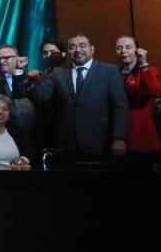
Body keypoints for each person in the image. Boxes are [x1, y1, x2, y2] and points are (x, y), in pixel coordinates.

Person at [33, 32, 129, 160]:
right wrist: (22, 73)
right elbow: (40, 96)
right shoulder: (58, 73)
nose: (77, 50)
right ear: (68, 52)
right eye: (72, 47)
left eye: (82, 45)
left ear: (92, 49)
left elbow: (120, 107)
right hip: (67, 146)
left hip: (100, 143)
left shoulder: (109, 71)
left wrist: (119, 138)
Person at [116, 35, 161, 159]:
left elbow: (155, 91)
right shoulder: (114, 73)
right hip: (118, 129)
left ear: (137, 50)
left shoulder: (148, 70)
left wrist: (143, 64)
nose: (123, 51)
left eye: (128, 47)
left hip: (140, 129)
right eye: (119, 48)